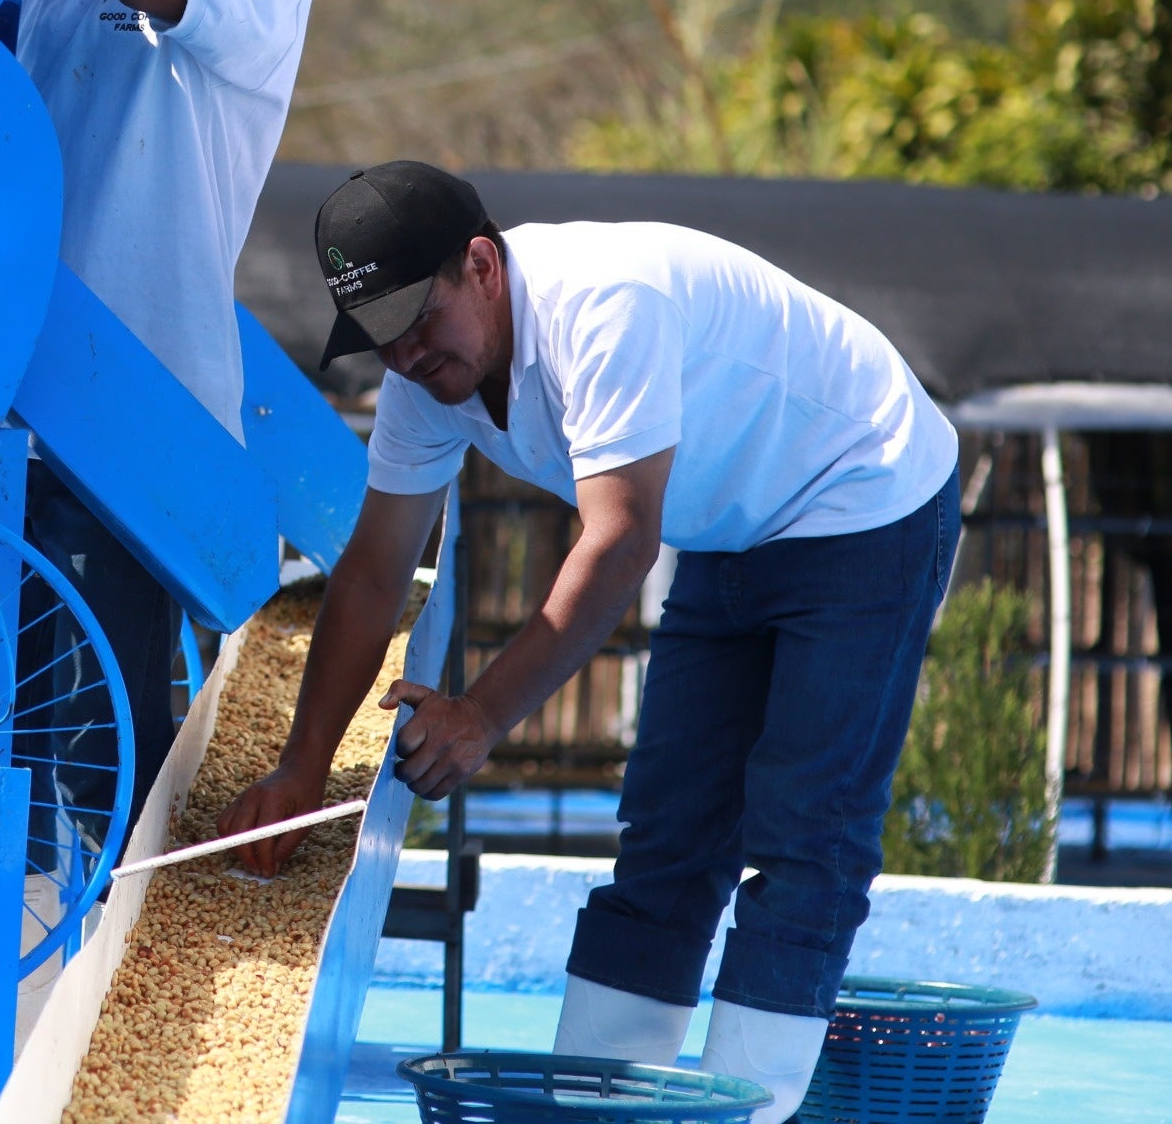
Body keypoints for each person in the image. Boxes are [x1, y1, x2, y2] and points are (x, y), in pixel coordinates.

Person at [217, 162, 961, 1122]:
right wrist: (301, 772)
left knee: (805, 832)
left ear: (480, 264)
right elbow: (371, 573)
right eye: (379, 339)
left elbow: (618, 541)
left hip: (866, 495)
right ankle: (592, 1109)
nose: (403, 357)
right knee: (668, 833)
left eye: (417, 323)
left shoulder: (605, 305)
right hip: (732, 526)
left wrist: (481, 714)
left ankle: (752, 1110)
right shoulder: (424, 381)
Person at [0, 0, 314, 829]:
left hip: (135, 410)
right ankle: (19, 974)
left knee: (95, 737)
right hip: (9, 382)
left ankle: (93, 968)